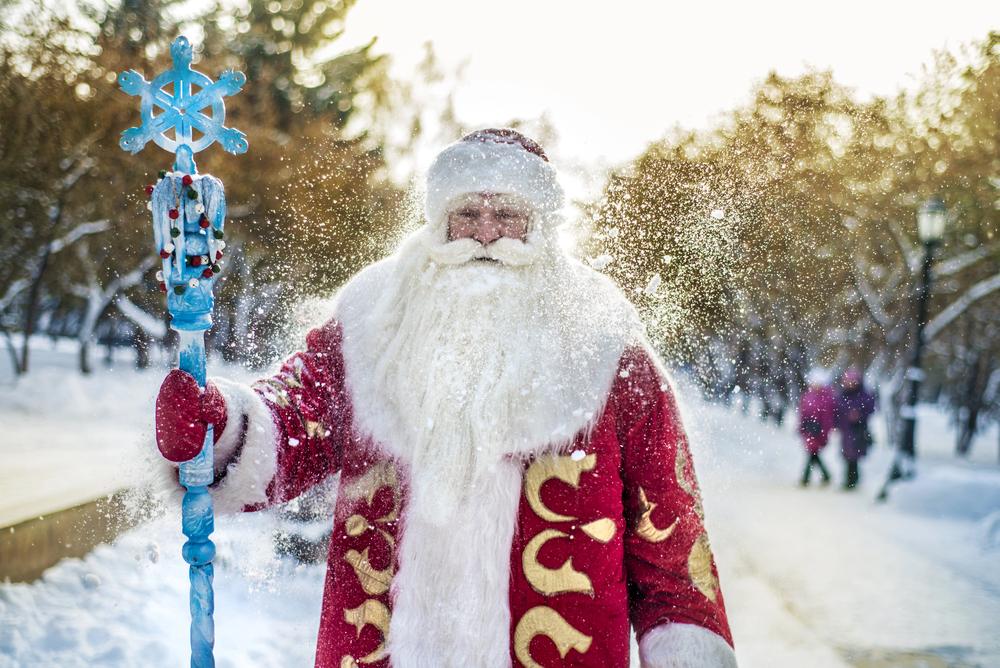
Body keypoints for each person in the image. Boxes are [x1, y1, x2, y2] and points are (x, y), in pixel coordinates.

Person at [154, 129, 736, 667]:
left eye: (507, 214)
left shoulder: (604, 338)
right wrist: (223, 423)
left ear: (540, 224)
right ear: (439, 220)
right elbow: (295, 413)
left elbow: (670, 539)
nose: (485, 233)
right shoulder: (373, 316)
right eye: (466, 214)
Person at [836, 367, 877, 490]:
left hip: (858, 429)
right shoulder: (842, 395)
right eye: (848, 381)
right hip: (846, 429)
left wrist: (859, 415)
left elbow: (870, 408)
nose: (850, 384)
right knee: (848, 455)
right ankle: (850, 479)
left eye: (852, 381)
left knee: (854, 456)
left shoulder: (864, 394)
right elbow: (837, 411)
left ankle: (852, 480)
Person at [797, 368, 836, 487]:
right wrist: (801, 427)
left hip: (818, 430)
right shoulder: (808, 396)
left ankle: (806, 478)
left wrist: (824, 431)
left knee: (812, 453)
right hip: (809, 429)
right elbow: (803, 413)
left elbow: (827, 417)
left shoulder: (826, 397)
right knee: (813, 453)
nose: (815, 385)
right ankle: (825, 476)